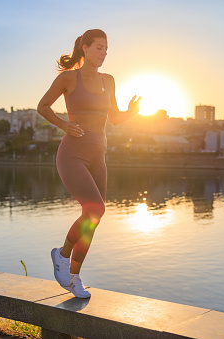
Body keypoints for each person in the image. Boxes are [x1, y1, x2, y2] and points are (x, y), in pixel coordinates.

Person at [37, 29, 141, 298]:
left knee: (94, 216)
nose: (103, 53)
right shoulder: (69, 78)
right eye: (98, 47)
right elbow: (43, 106)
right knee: (93, 207)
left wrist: (133, 112)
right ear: (84, 48)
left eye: (106, 48)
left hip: (98, 156)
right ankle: (61, 255)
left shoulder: (109, 81)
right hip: (73, 154)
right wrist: (64, 125)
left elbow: (115, 118)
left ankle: (73, 276)